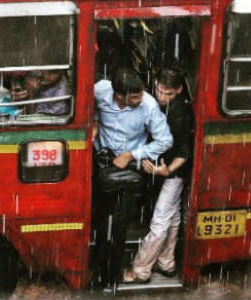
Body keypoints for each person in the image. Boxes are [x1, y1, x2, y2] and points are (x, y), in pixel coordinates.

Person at [92, 68, 173, 290]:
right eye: (134, 97)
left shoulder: (148, 106)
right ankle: (97, 271)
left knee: (117, 226)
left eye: (140, 95)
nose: (140, 99)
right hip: (101, 165)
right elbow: (84, 107)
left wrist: (131, 155)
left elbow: (165, 141)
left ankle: (110, 279)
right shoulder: (100, 91)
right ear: (119, 95)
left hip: (128, 171)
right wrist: (95, 121)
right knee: (100, 221)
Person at [122, 68, 194, 283]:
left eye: (168, 94)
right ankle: (167, 262)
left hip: (174, 173)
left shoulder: (180, 114)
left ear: (179, 90)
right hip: (168, 171)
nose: (162, 97)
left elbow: (184, 152)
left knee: (160, 221)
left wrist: (166, 170)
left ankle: (141, 270)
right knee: (172, 218)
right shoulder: (164, 106)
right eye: (160, 91)